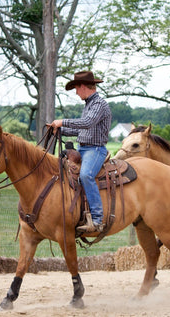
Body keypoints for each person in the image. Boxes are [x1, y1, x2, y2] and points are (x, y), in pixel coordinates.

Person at [48, 71, 111, 233]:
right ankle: (76, 213)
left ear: (83, 87)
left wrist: (62, 121)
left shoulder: (99, 104)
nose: (76, 92)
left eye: (76, 88)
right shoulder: (89, 105)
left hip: (95, 149)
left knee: (85, 175)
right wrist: (60, 130)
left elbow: (87, 123)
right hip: (83, 148)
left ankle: (97, 219)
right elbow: (82, 131)